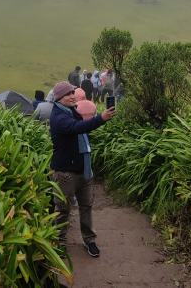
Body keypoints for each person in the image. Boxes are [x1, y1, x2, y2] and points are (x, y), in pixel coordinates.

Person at [49, 81, 116, 258]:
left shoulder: (71, 111)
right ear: (59, 99)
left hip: (83, 169)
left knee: (86, 206)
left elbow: (83, 128)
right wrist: (101, 118)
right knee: (63, 210)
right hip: (65, 172)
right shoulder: (58, 117)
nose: (73, 96)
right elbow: (77, 128)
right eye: (68, 94)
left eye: (73, 92)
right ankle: (59, 243)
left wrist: (98, 118)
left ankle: (90, 240)